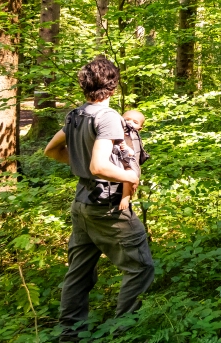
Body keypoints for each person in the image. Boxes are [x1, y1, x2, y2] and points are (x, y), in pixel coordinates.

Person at [44, 55, 154, 341]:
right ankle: (124, 332)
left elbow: (51, 150)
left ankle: (70, 333)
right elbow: (99, 166)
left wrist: (77, 162)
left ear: (84, 86)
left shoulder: (75, 115)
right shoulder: (107, 118)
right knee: (141, 267)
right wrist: (130, 177)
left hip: (81, 205)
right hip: (108, 208)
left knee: (79, 273)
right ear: (113, 87)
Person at [116, 109, 147, 212]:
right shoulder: (117, 131)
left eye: (135, 122)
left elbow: (134, 153)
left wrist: (127, 149)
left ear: (140, 128)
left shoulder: (134, 136)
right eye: (127, 119)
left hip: (130, 165)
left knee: (129, 176)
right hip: (119, 162)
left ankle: (126, 197)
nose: (130, 122)